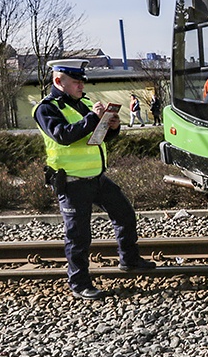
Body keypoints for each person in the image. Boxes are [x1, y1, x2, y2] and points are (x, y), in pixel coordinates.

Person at [34, 59, 155, 300]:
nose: (81, 86)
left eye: (81, 82)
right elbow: (63, 136)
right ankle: (79, 283)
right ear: (59, 81)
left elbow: (96, 139)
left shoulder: (85, 103)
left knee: (125, 214)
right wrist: (92, 118)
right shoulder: (46, 108)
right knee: (78, 236)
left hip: (96, 177)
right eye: (76, 82)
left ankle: (129, 260)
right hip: (71, 181)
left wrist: (112, 127)